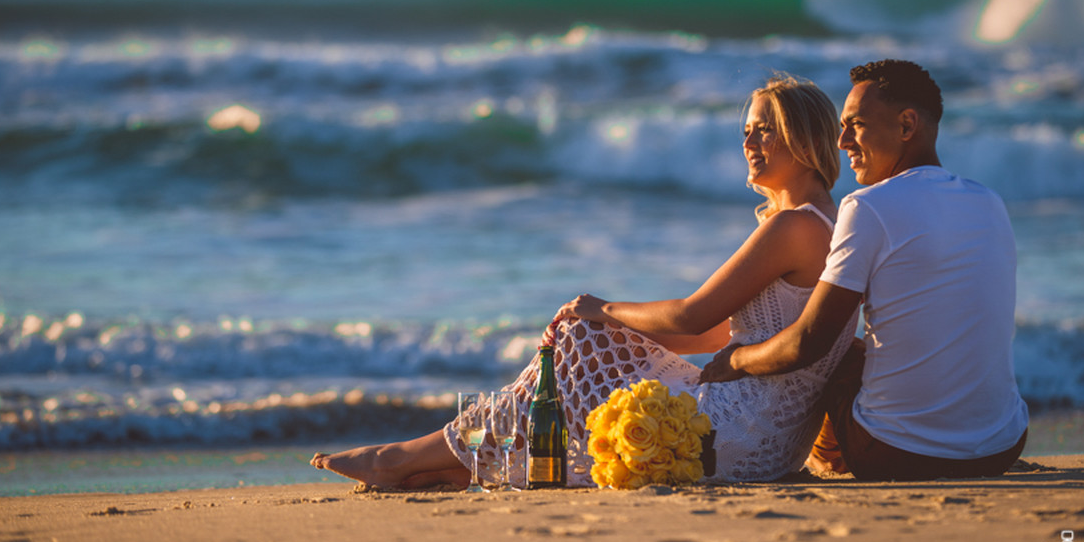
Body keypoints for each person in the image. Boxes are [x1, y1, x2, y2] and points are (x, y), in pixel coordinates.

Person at [311, 75, 859, 489]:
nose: (750, 142)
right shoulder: (821, 224)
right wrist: (612, 340)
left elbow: (693, 316)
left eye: (765, 130)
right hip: (771, 440)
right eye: (746, 131)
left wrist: (601, 310)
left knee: (582, 334)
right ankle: (460, 460)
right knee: (585, 343)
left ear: (803, 138)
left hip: (740, 433)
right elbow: (714, 336)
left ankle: (412, 457)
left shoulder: (795, 227)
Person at [700, 59, 1029, 481]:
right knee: (862, 346)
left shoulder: (867, 206)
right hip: (1002, 445)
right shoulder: (990, 202)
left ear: (907, 125)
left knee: (839, 355)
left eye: (855, 125)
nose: (842, 142)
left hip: (896, 454)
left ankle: (825, 461)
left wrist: (738, 360)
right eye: (841, 127)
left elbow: (808, 343)